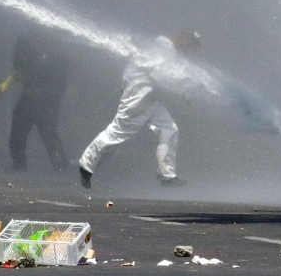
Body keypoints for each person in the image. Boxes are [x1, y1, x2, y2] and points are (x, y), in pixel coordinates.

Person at [77, 30, 202, 188]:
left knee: (169, 129)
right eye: (192, 46)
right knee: (118, 132)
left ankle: (167, 175)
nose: (191, 51)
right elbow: (160, 76)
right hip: (140, 96)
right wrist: (183, 92)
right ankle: (86, 164)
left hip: (151, 97)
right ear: (185, 40)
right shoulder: (164, 47)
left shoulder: (167, 49)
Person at [9, 28, 71, 172]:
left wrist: (25, 73)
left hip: (38, 95)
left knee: (24, 129)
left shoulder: (29, 39)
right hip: (46, 95)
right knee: (46, 131)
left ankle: (20, 164)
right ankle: (60, 164)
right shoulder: (56, 42)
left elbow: (22, 67)